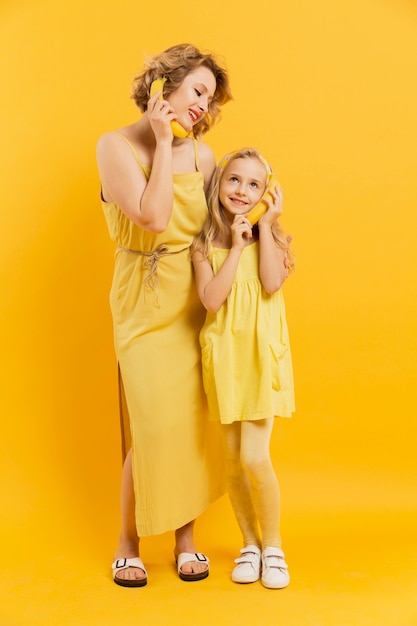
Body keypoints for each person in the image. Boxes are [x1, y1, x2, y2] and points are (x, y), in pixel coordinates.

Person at [96, 43, 232, 587]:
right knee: (151, 426)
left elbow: (212, 228)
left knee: (186, 425)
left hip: (188, 296)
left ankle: (185, 541)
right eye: (198, 90)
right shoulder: (115, 146)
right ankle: (127, 542)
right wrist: (159, 138)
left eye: (211, 98)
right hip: (140, 297)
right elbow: (153, 218)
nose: (203, 105)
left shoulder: (202, 156)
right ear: (165, 83)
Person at [191, 148, 295, 589]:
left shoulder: (273, 238)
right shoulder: (202, 244)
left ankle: (273, 549)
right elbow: (212, 300)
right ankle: (249, 544)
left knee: (255, 456)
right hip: (226, 358)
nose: (242, 191)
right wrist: (233, 247)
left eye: (254, 184)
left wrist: (264, 228)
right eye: (235, 180)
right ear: (220, 182)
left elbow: (271, 283)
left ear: (266, 191)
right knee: (233, 461)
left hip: (260, 355)